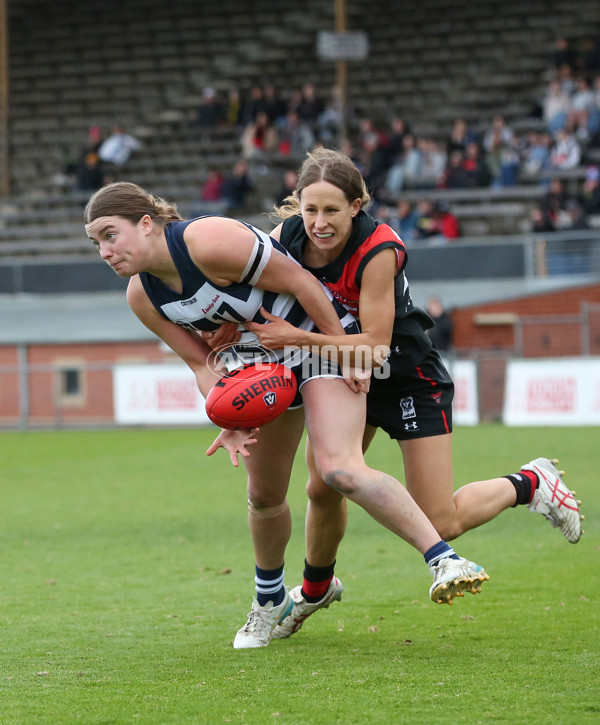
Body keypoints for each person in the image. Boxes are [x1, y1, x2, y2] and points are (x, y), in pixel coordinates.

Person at [83, 181, 490, 650]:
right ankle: (269, 600)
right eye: (97, 243)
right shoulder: (142, 296)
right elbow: (201, 363)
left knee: (339, 469)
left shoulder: (208, 239)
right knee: (263, 496)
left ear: (147, 224)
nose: (105, 251)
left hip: (312, 337)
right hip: (258, 368)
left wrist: (344, 352)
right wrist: (228, 418)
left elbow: (302, 282)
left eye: (110, 235)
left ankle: (444, 559)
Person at [236, 148, 582, 639]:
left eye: (332, 210)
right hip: (344, 372)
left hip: (405, 375)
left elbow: (375, 346)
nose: (319, 222)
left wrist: (296, 339)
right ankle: (315, 590)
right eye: (310, 209)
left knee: (442, 521)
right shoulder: (285, 238)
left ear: (357, 205)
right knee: (324, 484)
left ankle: (529, 482)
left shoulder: (379, 249)